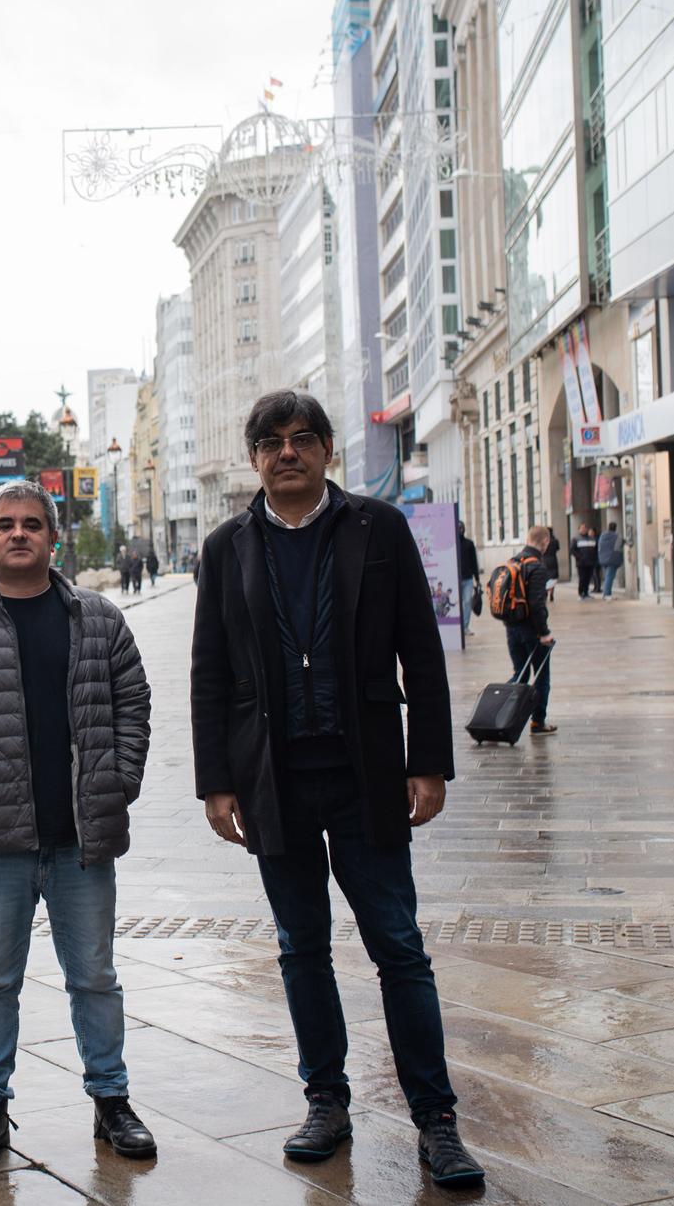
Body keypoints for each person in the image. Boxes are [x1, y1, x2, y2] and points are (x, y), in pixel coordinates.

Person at [190, 390, 484, 1189]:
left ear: (326, 450)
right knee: (301, 949)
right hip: (273, 781)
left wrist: (429, 762)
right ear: (254, 457)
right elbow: (209, 672)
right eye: (273, 441)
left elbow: (421, 656)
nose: (288, 452)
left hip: (365, 776)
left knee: (399, 948)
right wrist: (216, 783)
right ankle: (326, 1099)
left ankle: (436, 1118)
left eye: (303, 438)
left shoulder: (377, 529)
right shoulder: (225, 547)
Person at [0, 480, 157, 1169]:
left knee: (96, 977)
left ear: (53, 536)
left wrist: (120, 778)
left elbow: (133, 700)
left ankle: (112, 1101)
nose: (20, 533)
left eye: (33, 524)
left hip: (83, 840)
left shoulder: (99, 618)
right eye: (6, 524)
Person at [505, 525, 558, 736]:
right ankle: (538, 721)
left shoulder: (514, 561)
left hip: (512, 630)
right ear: (545, 542)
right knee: (542, 676)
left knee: (520, 673)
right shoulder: (537, 567)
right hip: (532, 632)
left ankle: (496, 709)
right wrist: (544, 633)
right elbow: (537, 605)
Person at [455, 521, 479, 636]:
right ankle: (457, 626)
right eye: (458, 528)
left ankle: (465, 626)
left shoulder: (469, 544)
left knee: (468, 602)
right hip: (455, 579)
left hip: (468, 578)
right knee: (456, 604)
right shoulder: (453, 544)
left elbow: (474, 562)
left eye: (462, 528)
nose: (460, 530)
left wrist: (478, 579)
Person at [572, 523, 599, 601]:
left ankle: (586, 593)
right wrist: (579, 557)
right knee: (582, 578)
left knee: (588, 578)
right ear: (579, 529)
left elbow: (596, 549)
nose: (583, 529)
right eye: (582, 528)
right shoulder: (576, 539)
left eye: (585, 528)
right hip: (581, 563)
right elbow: (572, 550)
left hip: (590, 562)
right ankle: (581, 593)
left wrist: (594, 558)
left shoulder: (592, 539)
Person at [597, 522, 623, 599]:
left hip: (603, 559)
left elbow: (599, 546)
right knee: (609, 577)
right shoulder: (617, 536)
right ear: (615, 528)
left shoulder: (602, 536)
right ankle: (607, 594)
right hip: (612, 559)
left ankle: (608, 593)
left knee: (608, 576)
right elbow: (618, 547)